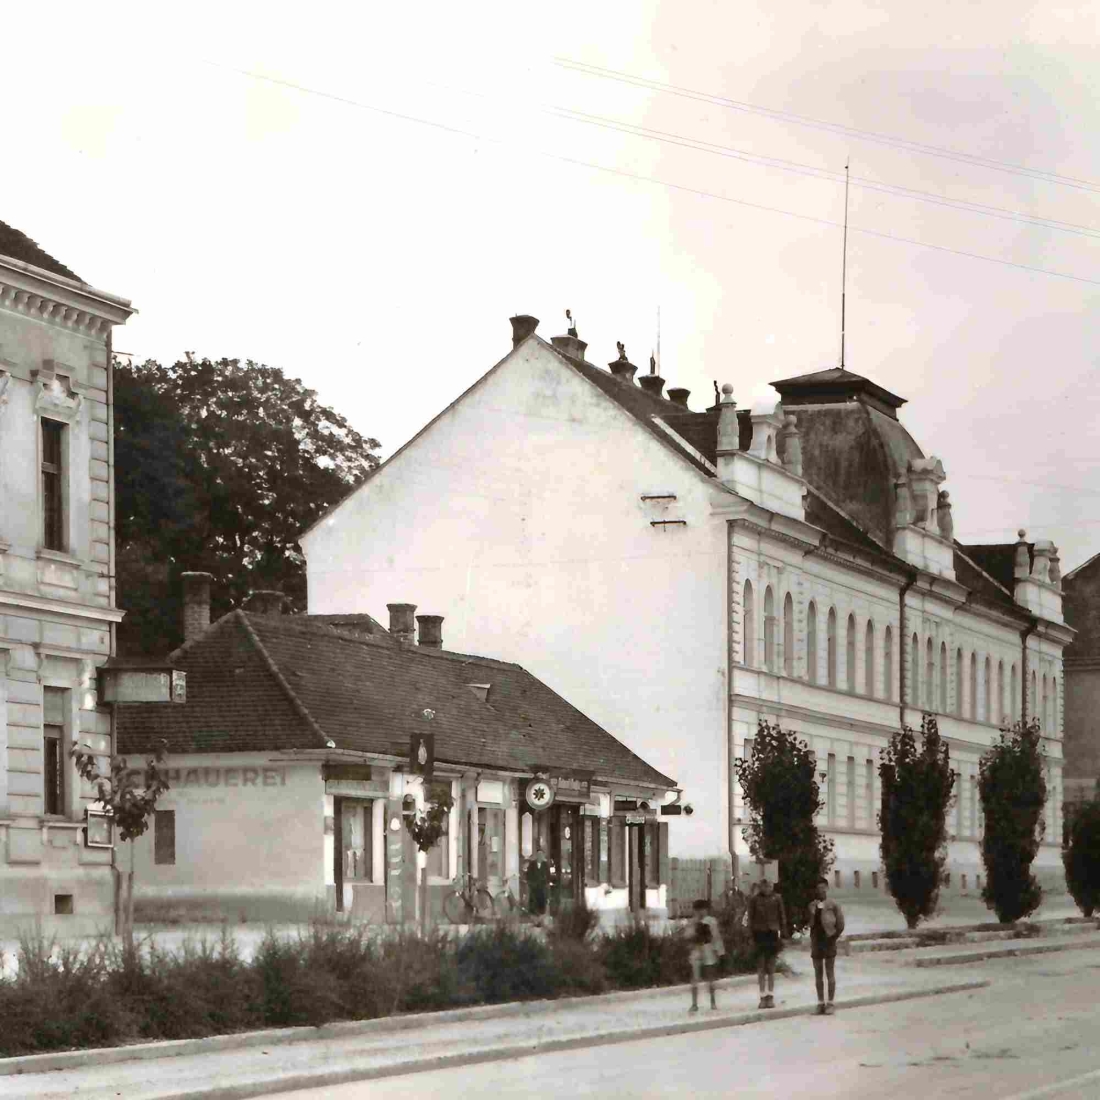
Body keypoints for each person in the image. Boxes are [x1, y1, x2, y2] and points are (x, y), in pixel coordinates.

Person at [747, 876, 787, 1008]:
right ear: (760, 887)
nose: (767, 888)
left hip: (773, 934)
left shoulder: (777, 898)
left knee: (771, 967)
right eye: (764, 886)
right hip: (759, 934)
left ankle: (770, 996)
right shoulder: (754, 899)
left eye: (769, 885)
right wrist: (750, 937)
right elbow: (750, 920)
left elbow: (782, 918)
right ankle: (762, 997)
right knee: (761, 967)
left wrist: (783, 936)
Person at [808, 877, 845, 1015]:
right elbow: (810, 925)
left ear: (827, 888)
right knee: (818, 974)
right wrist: (811, 913)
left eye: (823, 887)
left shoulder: (833, 905)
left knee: (830, 972)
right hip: (816, 942)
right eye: (818, 888)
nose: (821, 890)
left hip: (829, 941)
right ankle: (820, 1003)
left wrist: (834, 937)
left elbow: (840, 924)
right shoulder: (812, 905)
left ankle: (830, 1003)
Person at [687, 898, 724, 1012]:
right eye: (698, 910)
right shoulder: (692, 922)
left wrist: (719, 952)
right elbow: (688, 936)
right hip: (696, 949)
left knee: (710, 977)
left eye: (702, 910)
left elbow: (716, 937)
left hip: (708, 948)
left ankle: (713, 1002)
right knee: (695, 978)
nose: (700, 912)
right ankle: (694, 1004)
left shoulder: (711, 921)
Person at [525, 848, 550, 924]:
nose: (539, 856)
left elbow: (548, 875)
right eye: (538, 855)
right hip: (534, 887)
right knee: (533, 903)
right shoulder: (532, 864)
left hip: (542, 888)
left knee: (542, 904)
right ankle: (534, 920)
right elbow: (528, 875)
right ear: (536, 856)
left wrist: (546, 883)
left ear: (543, 856)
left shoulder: (545, 864)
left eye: (541, 855)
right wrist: (530, 883)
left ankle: (540, 920)